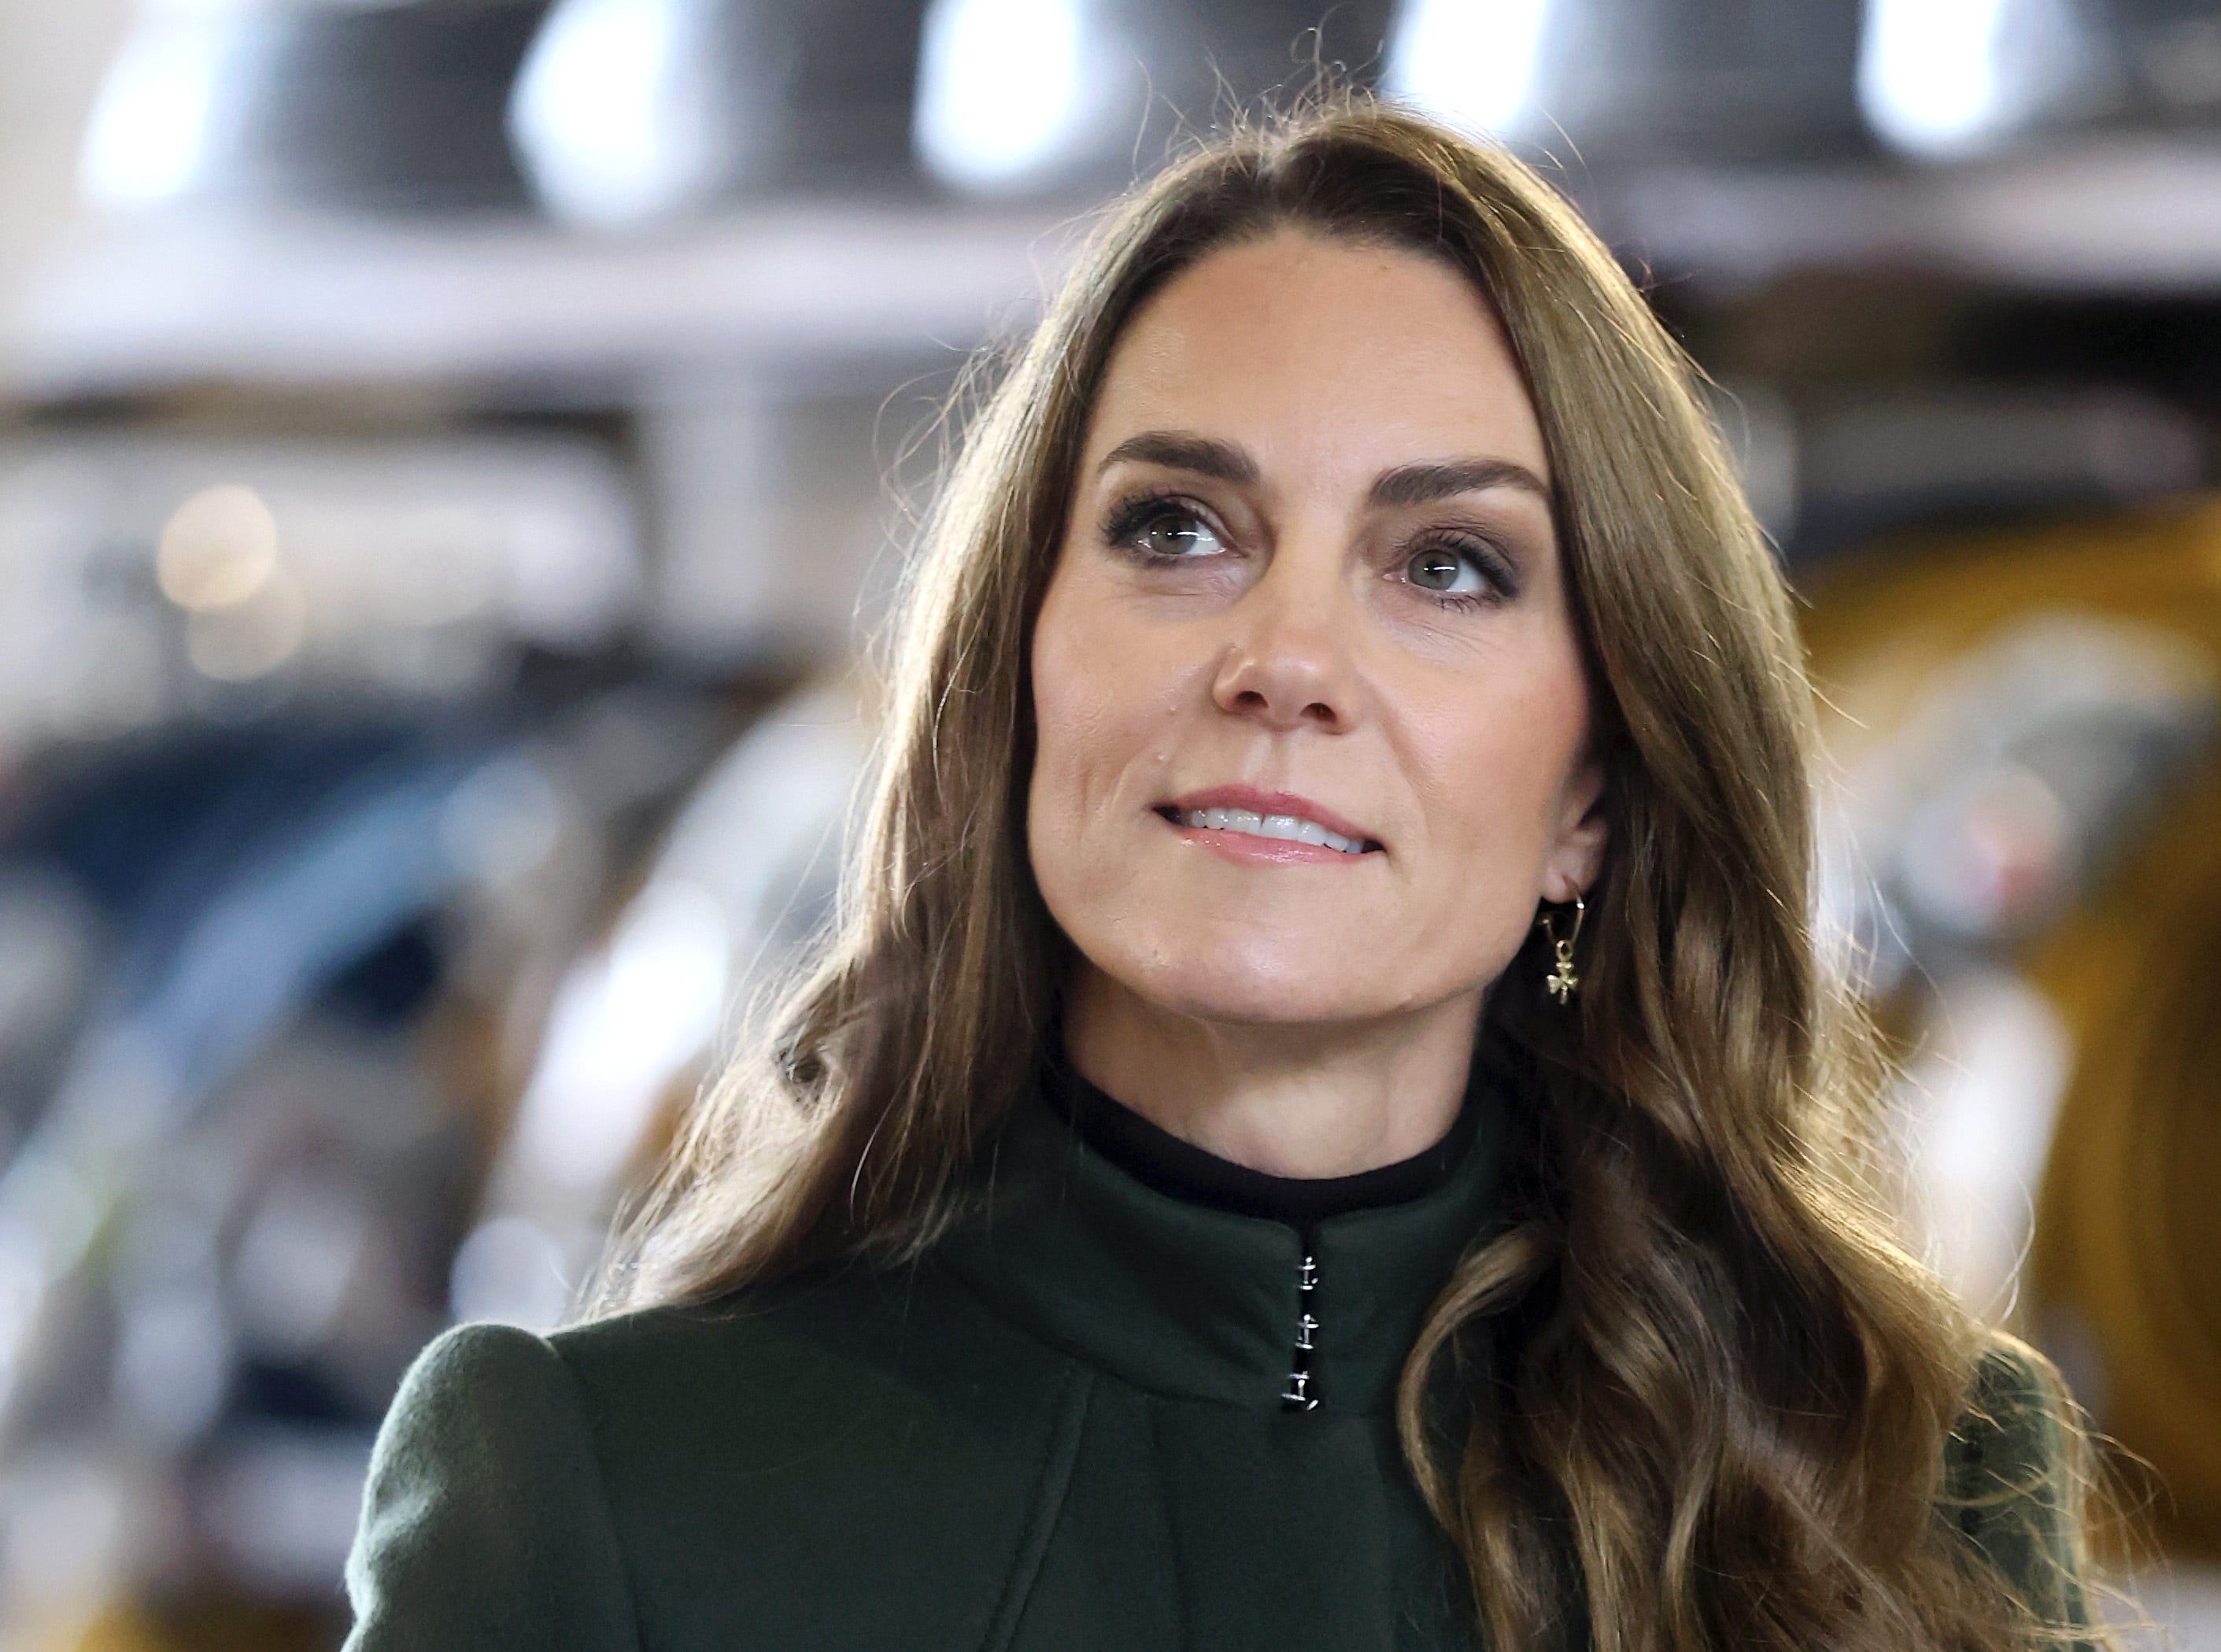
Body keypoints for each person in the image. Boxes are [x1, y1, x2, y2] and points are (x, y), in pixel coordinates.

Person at [344, 94, 2098, 1652]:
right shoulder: (593, 1498)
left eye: (1448, 566)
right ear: (1017, 672)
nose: (1287, 660)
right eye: (1176, 531)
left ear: (1593, 792)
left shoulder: (1900, 1489)